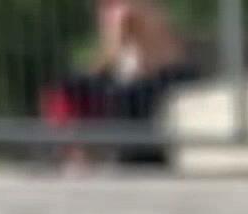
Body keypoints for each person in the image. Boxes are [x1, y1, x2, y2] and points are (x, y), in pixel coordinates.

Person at [42, 0, 198, 169]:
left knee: (67, 88)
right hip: (179, 75)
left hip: (159, 80)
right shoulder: (149, 6)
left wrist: (89, 72)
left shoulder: (122, 11)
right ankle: (80, 153)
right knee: (103, 88)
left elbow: (112, 55)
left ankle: (75, 155)